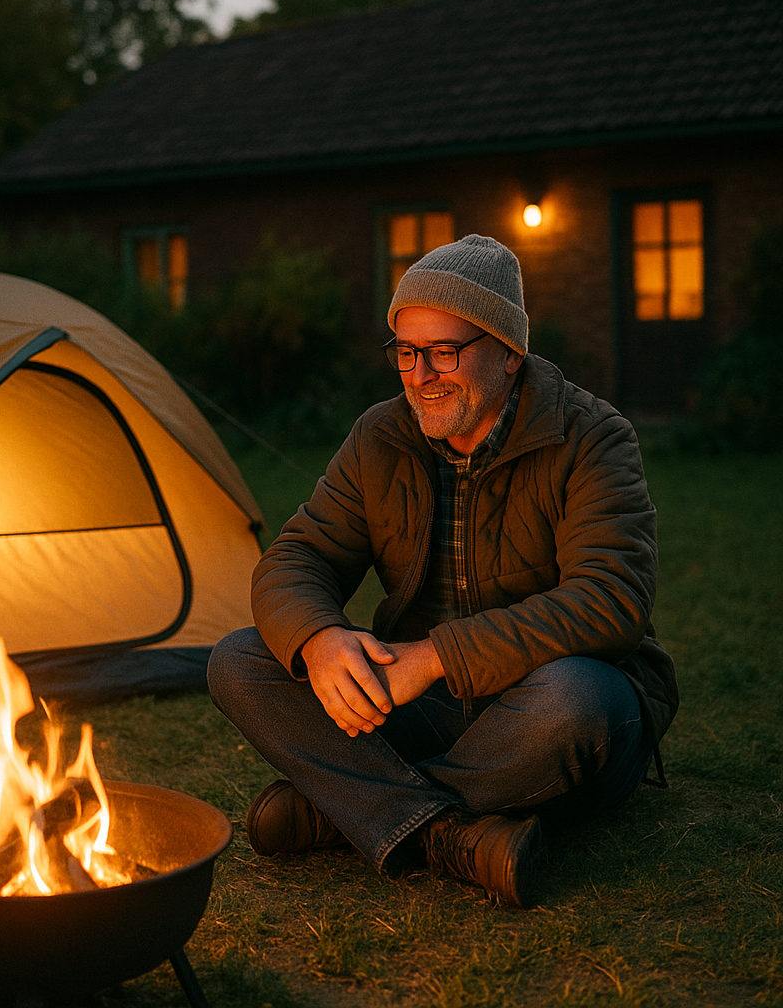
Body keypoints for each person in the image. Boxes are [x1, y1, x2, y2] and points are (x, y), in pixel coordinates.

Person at [207, 234, 678, 908]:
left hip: (549, 710)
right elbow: (297, 557)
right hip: (425, 710)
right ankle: (449, 833)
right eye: (406, 352)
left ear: (509, 353)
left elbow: (611, 600)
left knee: (575, 701)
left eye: (444, 352)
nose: (421, 375)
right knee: (238, 660)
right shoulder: (380, 437)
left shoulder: (592, 438)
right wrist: (319, 639)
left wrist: (434, 657)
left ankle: (342, 810)